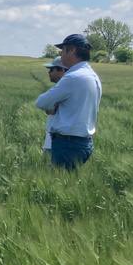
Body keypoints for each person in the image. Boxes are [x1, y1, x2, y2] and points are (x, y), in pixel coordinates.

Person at [35, 33, 102, 170]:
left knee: (57, 181)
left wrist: (54, 105)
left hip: (68, 144)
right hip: (83, 142)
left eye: (63, 50)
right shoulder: (92, 75)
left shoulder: (73, 77)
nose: (61, 55)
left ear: (72, 50)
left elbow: (41, 102)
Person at [41, 58, 67, 154]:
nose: (49, 72)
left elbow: (50, 110)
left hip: (55, 141)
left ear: (62, 70)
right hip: (55, 138)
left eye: (52, 69)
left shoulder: (62, 89)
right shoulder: (67, 87)